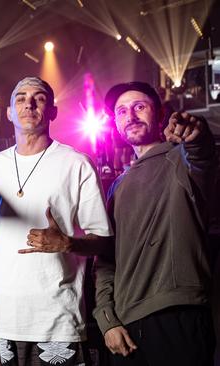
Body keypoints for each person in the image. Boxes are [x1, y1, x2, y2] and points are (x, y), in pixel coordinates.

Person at [0, 77, 112, 366]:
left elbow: (105, 242)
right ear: (8, 112)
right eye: (20, 98)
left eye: (39, 97)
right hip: (0, 315)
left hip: (58, 316)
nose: (29, 103)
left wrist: (68, 243)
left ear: (53, 111)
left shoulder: (76, 164)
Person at [93, 81, 216, 365]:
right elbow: (105, 259)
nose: (131, 116)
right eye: (122, 111)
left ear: (160, 114)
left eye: (139, 107)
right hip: (125, 327)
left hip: (177, 316)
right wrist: (107, 319)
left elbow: (202, 154)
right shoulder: (117, 186)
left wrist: (194, 132)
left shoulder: (181, 161)